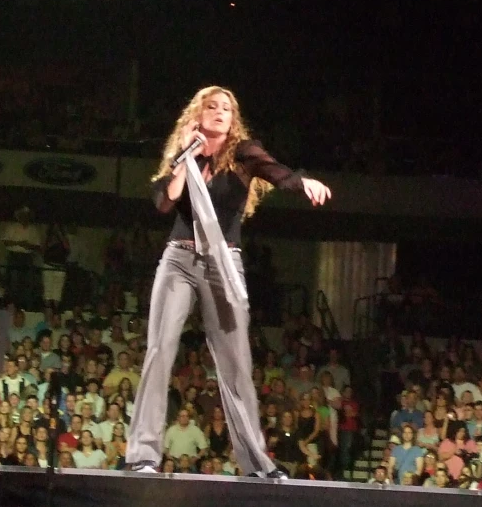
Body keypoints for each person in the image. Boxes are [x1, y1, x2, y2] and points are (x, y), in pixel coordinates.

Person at [125, 86, 331, 479]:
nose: (220, 112)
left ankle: (256, 462)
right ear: (197, 115)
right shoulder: (184, 155)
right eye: (212, 107)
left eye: (227, 109)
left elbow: (277, 172)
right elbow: (165, 202)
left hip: (224, 262)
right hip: (179, 260)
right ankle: (144, 455)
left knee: (236, 361)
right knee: (159, 350)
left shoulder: (243, 153)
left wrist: (303, 183)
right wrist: (185, 157)